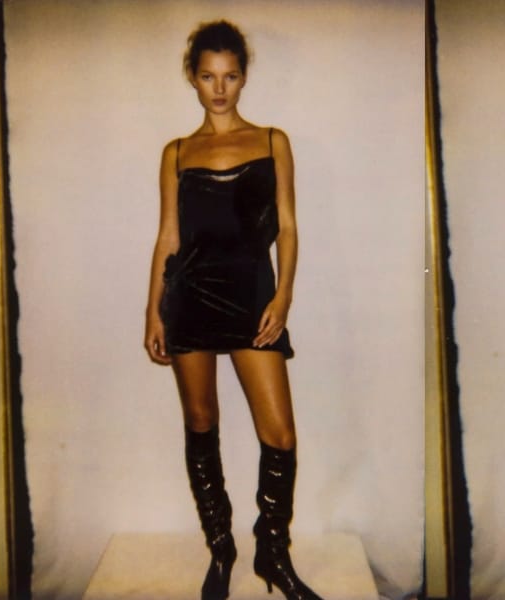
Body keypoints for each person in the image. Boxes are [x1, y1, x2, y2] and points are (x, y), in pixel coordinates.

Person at [144, 20, 322, 600]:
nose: (219, 89)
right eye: (208, 77)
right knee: (201, 423)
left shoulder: (273, 141)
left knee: (281, 433)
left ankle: (273, 552)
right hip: (189, 297)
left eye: (230, 76)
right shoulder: (176, 153)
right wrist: (153, 313)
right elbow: (168, 237)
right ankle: (221, 549)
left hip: (252, 296)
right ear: (192, 78)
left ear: (244, 77)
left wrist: (283, 296)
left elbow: (288, 227)